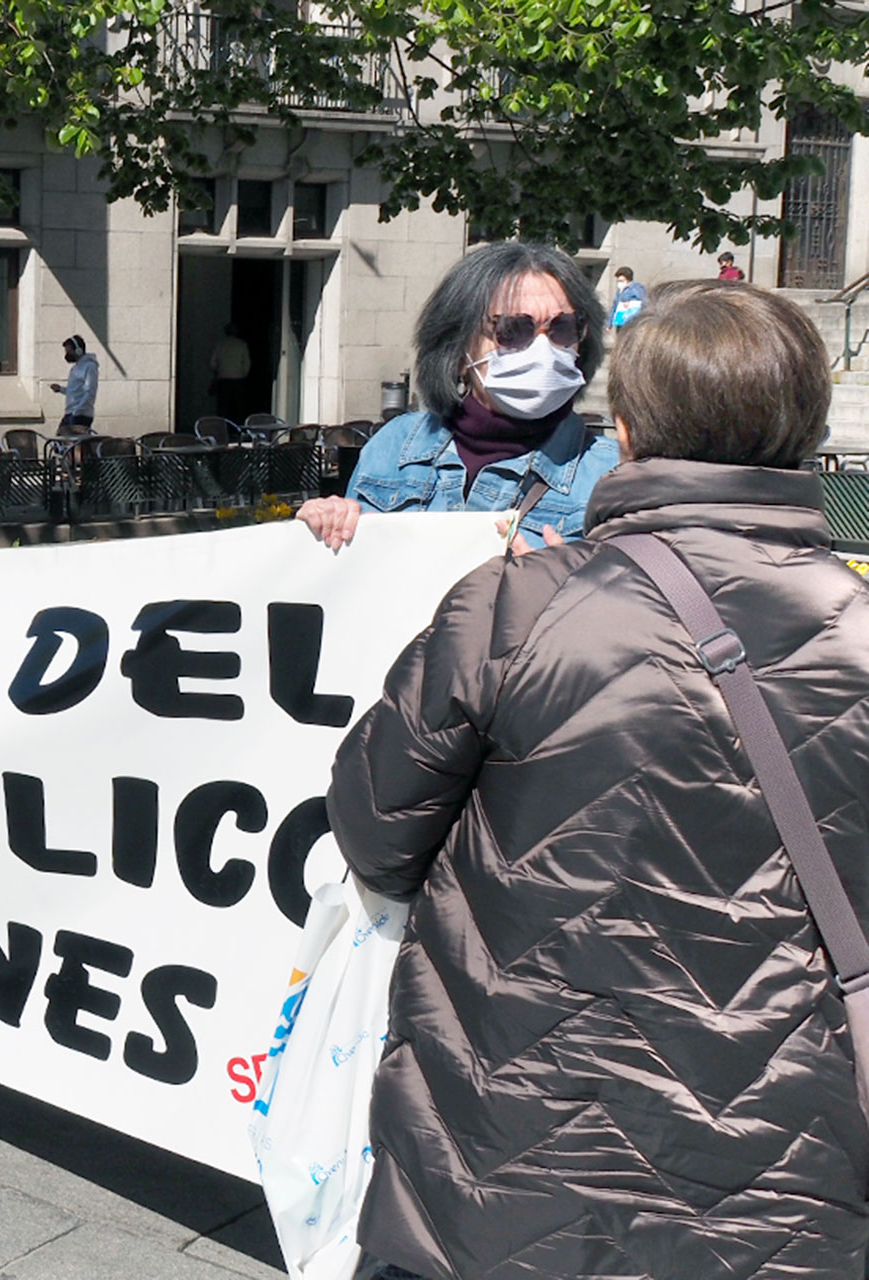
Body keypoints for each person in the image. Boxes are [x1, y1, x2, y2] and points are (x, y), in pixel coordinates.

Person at [330, 281, 869, 1280]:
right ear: (807, 429)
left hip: (500, 1171)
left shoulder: (516, 607)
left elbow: (374, 826)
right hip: (779, 1197)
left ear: (625, 426)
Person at [296, 242, 618, 551]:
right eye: (514, 329)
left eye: (563, 327)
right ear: (460, 348)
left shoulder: (612, 474)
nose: (543, 349)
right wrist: (325, 527)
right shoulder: (395, 446)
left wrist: (569, 591)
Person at [48, 334, 99, 434]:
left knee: (74, 445)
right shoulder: (75, 368)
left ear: (78, 350)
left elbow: (90, 391)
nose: (67, 354)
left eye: (69, 350)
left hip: (80, 414)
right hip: (70, 412)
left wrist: (78, 411)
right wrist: (61, 389)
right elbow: (75, 391)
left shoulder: (90, 366)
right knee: (61, 442)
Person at [208, 323, 252, 419]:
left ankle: (223, 428)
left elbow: (212, 363)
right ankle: (239, 428)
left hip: (223, 379)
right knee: (240, 406)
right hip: (238, 379)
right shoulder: (242, 344)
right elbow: (247, 363)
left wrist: (218, 371)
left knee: (223, 407)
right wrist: (243, 374)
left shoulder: (220, 344)